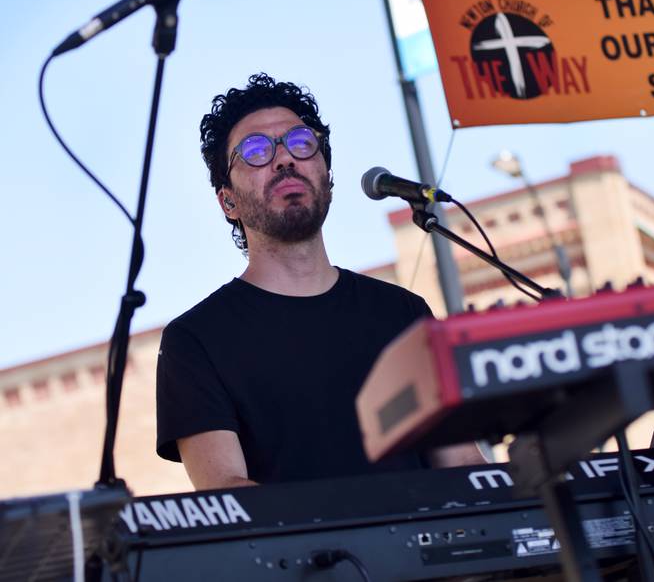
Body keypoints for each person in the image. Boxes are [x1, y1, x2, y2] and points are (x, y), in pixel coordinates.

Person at [156, 73, 482, 490]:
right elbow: (226, 490)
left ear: (327, 176)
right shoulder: (195, 339)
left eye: (301, 142)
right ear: (228, 201)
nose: (285, 158)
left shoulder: (404, 313)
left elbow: (461, 463)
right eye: (255, 150)